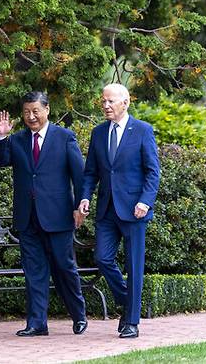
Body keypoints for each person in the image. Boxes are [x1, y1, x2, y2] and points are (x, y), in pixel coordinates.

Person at [0, 91, 87, 337]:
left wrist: (80, 206)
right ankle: (37, 323)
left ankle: (78, 316)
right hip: (28, 218)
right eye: (26, 112)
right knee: (34, 272)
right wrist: (2, 136)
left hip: (58, 217)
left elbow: (80, 176)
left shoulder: (65, 137)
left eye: (35, 111)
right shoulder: (17, 140)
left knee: (64, 268)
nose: (31, 116)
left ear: (47, 110)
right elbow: (1, 162)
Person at [75, 83, 160, 338]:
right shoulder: (98, 133)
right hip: (107, 210)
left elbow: (153, 172)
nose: (106, 105)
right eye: (103, 101)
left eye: (111, 101)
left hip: (135, 210)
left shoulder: (143, 130)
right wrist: (84, 197)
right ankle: (128, 300)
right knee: (102, 258)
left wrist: (145, 202)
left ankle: (131, 322)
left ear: (126, 102)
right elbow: (90, 172)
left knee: (134, 266)